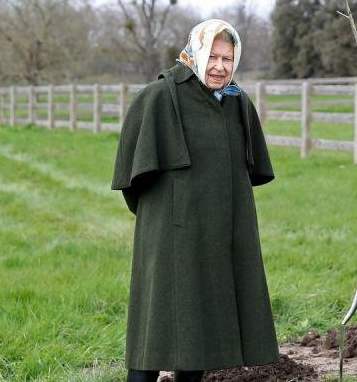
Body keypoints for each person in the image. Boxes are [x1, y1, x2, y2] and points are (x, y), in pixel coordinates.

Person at [112, 19, 278, 382]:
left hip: (217, 235)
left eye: (228, 58)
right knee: (154, 332)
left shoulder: (237, 102)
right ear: (198, 53)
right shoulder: (159, 97)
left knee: (199, 330)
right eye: (214, 56)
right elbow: (132, 178)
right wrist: (166, 217)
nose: (220, 66)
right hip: (170, 235)